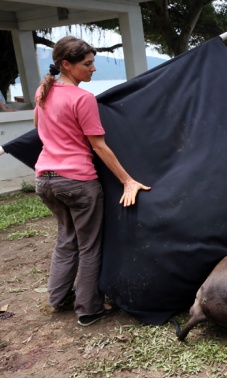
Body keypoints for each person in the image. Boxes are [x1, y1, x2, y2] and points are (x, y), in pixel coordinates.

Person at [34, 36, 151, 326]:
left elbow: (40, 129)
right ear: (66, 65)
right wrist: (127, 180)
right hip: (77, 182)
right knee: (88, 246)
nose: (93, 69)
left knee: (66, 239)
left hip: (45, 180)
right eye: (87, 64)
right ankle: (88, 309)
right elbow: (99, 145)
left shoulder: (43, 92)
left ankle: (58, 298)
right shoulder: (82, 98)